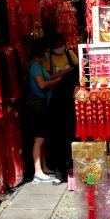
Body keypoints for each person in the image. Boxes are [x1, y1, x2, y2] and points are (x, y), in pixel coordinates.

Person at [23, 38, 62, 183]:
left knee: (42, 138)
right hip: (36, 107)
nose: (48, 54)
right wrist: (59, 81)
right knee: (39, 139)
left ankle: (44, 167)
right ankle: (38, 171)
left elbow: (49, 77)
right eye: (46, 51)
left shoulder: (38, 66)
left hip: (41, 105)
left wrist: (64, 73)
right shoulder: (34, 66)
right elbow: (42, 85)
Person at [43, 34, 79, 181]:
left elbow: (78, 71)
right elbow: (48, 78)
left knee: (70, 134)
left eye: (61, 44)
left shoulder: (70, 55)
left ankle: (70, 168)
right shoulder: (49, 60)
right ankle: (60, 171)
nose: (59, 47)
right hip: (55, 102)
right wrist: (65, 73)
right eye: (56, 45)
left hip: (70, 104)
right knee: (58, 137)